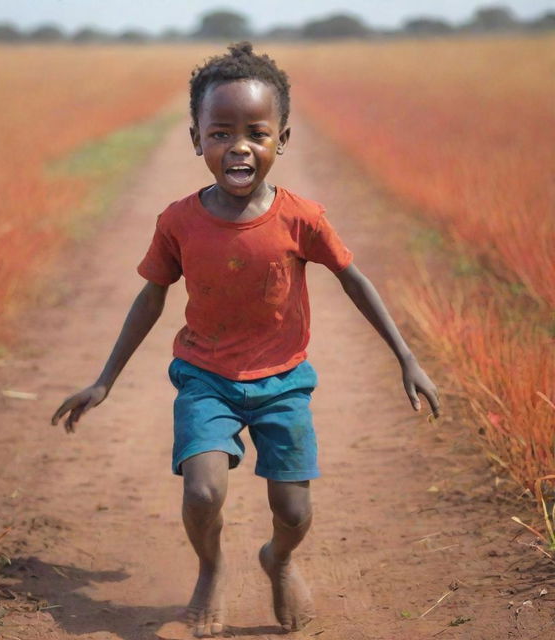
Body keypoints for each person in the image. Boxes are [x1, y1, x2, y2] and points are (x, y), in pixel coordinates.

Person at [52, 42, 440, 637]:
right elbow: (151, 297)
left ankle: (278, 558)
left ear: (281, 140)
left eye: (256, 132)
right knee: (204, 491)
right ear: (196, 140)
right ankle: (211, 567)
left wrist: (407, 358)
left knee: (293, 511)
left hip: (284, 381)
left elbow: (353, 281)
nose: (239, 146)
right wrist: (105, 379)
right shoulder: (179, 222)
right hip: (205, 377)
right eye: (220, 132)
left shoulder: (301, 218)